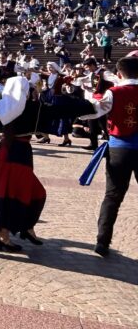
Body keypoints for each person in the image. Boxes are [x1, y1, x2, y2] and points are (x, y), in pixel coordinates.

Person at [0, 76, 94, 251]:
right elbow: (61, 109)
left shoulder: (0, 107)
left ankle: (25, 227)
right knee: (14, 194)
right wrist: (91, 104)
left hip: (9, 153)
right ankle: (4, 236)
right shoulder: (32, 108)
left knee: (24, 192)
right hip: (16, 153)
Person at [79, 56, 138, 257]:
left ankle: (102, 242)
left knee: (112, 196)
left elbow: (93, 111)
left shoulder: (114, 92)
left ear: (119, 74)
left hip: (119, 149)